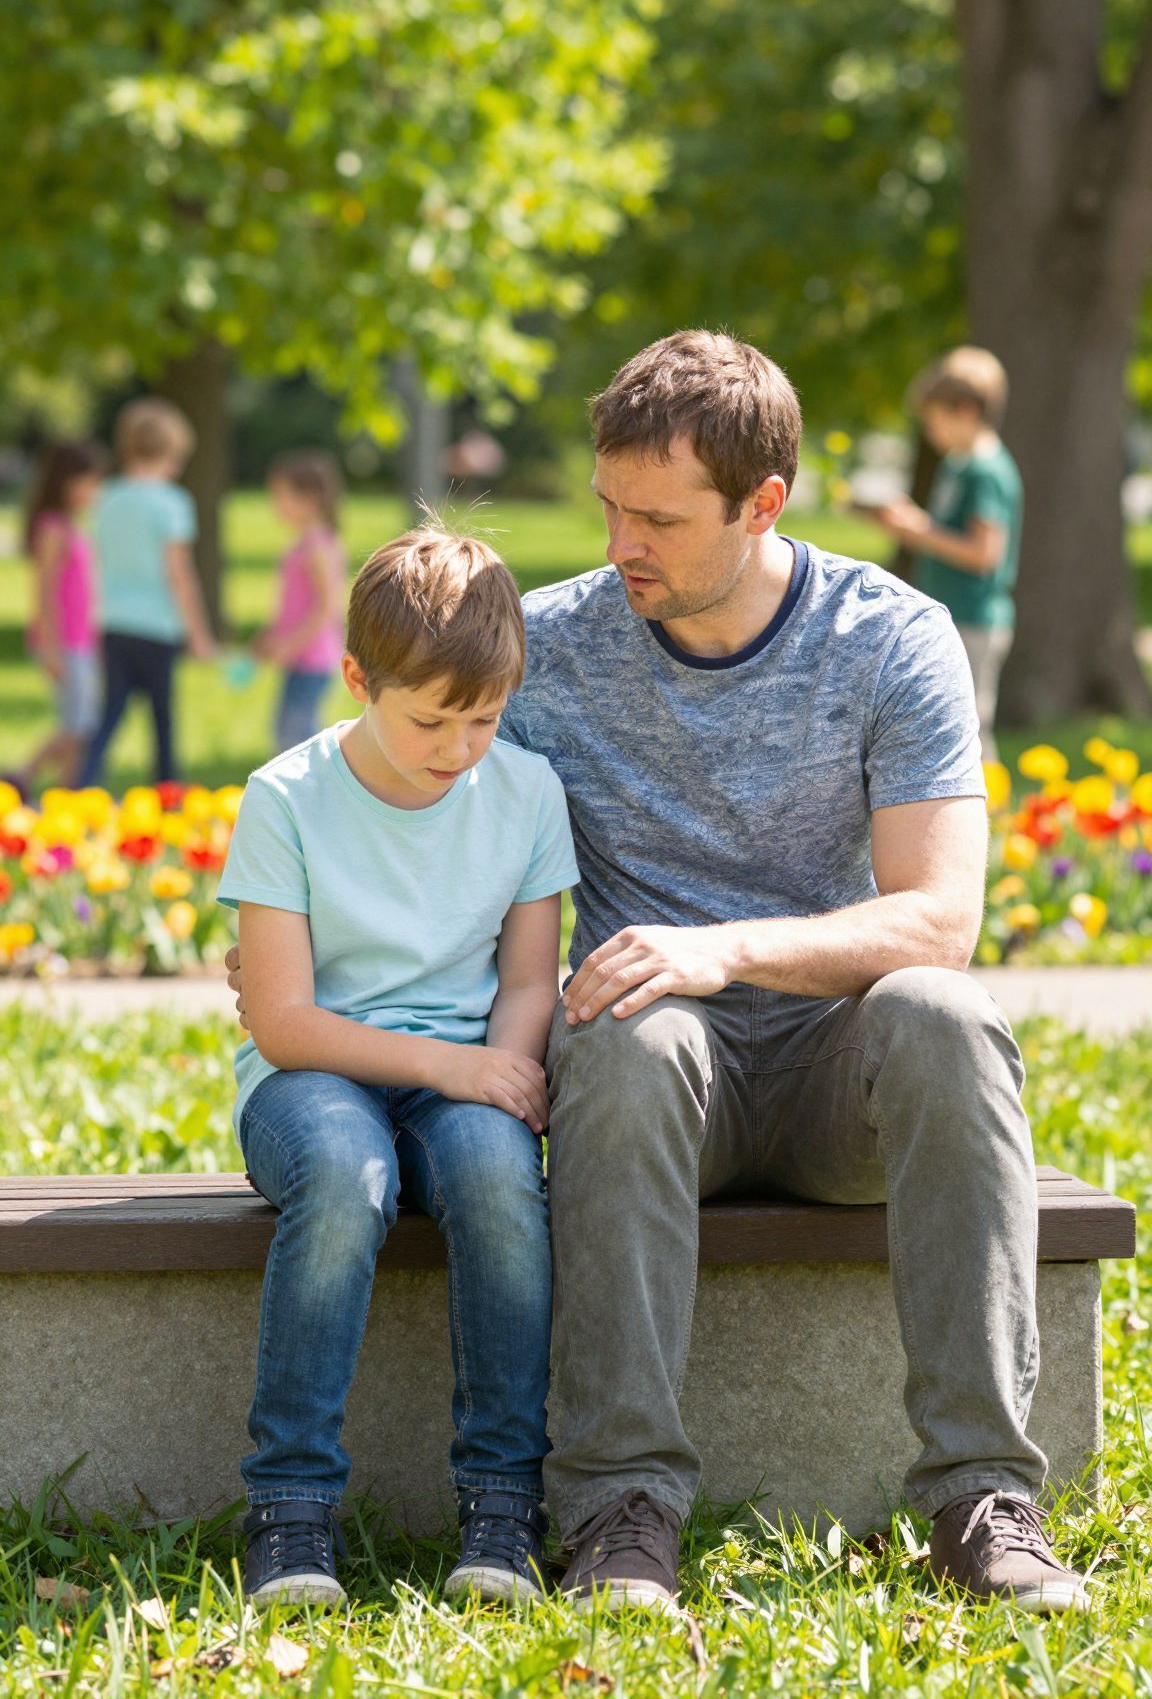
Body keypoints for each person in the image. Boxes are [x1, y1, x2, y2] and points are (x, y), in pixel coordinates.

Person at [229, 331, 1088, 1617]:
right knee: (629, 1030)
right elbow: (395, 743)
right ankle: (622, 1507)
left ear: (763, 506)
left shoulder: (890, 635)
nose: (621, 541)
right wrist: (280, 912)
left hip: (826, 1071)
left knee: (945, 1013)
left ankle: (979, 1495)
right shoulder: (552, 650)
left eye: (660, 518)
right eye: (610, 504)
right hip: (653, 1081)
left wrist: (721, 946)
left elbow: (939, 919)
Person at [217, 526, 578, 1608]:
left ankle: (503, 1506)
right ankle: (289, 1509)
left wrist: (502, 1078)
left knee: (498, 1179)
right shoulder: (286, 796)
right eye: (431, 717)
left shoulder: (527, 792)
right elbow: (283, 1019)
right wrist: (456, 1068)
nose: (460, 745)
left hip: (463, 1073)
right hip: (310, 1081)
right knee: (345, 1175)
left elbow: (526, 982)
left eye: (486, 716)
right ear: (359, 678)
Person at [875, 347, 1023, 762]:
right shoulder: (958, 464)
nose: (929, 430)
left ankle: (995, 821)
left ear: (967, 410)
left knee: (970, 727)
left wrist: (918, 530)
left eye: (935, 418)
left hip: (975, 619)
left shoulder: (986, 471)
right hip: (953, 613)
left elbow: (984, 553)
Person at [79, 398, 216, 788]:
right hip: (158, 626)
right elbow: (180, 574)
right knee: (162, 717)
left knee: (109, 713)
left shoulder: (105, 497)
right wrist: (199, 633)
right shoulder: (173, 503)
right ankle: (167, 791)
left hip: (113, 621)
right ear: (173, 453)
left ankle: (81, 783)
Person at [15, 440, 107, 795]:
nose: (94, 491)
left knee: (82, 725)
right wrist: (52, 647)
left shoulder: (72, 526)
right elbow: (46, 592)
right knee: (79, 725)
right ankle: (23, 775)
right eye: (90, 481)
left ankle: (67, 792)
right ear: (67, 481)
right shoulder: (52, 527)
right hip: (62, 641)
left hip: (80, 640)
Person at [251, 449, 347, 753]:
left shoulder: (317, 545)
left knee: (297, 734)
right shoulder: (308, 541)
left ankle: (313, 792)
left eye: (282, 495)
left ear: (310, 497)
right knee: (290, 729)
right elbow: (298, 605)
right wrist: (272, 637)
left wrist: (289, 646)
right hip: (301, 657)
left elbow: (326, 607)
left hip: (313, 658)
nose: (276, 504)